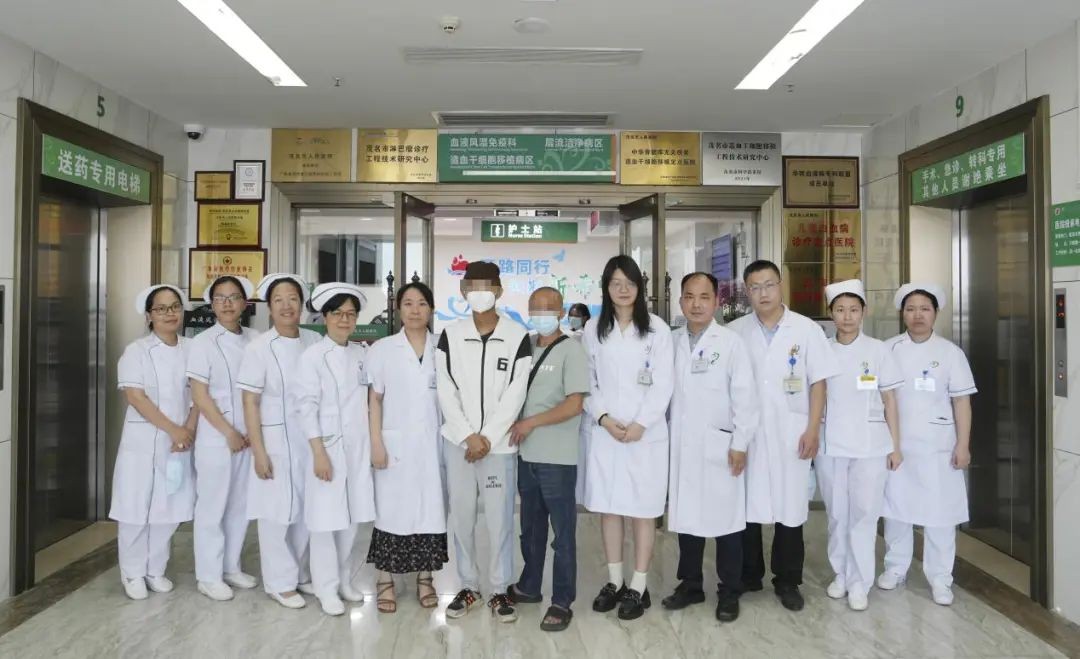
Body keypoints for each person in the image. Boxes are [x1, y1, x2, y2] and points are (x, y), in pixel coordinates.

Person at [727, 260, 837, 611]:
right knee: (746, 504)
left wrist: (813, 428)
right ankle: (749, 574)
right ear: (747, 292)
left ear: (781, 286)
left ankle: (788, 579)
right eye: (755, 287)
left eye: (769, 285)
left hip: (793, 430)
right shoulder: (735, 331)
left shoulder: (806, 329)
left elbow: (818, 383)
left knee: (791, 507)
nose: (763, 293)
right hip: (749, 432)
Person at [435, 261, 532, 622]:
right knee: (461, 518)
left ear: (499, 291)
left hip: (498, 447)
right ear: (463, 291)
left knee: (499, 519)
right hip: (459, 444)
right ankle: (468, 585)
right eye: (472, 286)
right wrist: (467, 435)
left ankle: (499, 588)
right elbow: (445, 389)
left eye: (486, 286)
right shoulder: (451, 334)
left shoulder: (517, 336)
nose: (479, 292)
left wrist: (487, 438)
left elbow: (516, 393)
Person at [663, 272, 758, 623]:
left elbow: (745, 397)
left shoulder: (731, 343)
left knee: (726, 521)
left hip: (721, 442)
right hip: (682, 443)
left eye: (704, 297)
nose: (696, 304)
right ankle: (690, 584)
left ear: (716, 301)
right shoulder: (671, 340)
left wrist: (740, 443)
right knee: (687, 516)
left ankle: (729, 590)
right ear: (680, 301)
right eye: (689, 297)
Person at [583, 255, 674, 621]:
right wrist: (603, 417)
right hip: (606, 432)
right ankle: (614, 580)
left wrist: (641, 424)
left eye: (630, 283)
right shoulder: (593, 329)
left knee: (642, 510)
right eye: (616, 283)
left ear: (640, 288)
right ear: (606, 287)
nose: (623, 290)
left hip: (645, 435)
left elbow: (664, 383)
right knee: (610, 507)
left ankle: (639, 585)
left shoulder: (657, 330)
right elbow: (588, 380)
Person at [878, 283, 976, 607]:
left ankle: (940, 578)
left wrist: (963, 445)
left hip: (938, 447)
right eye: (911, 309)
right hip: (898, 445)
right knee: (896, 511)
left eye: (924, 309)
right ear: (902, 313)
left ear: (935, 313)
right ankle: (895, 569)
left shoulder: (950, 353)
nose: (917, 315)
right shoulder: (888, 349)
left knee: (940, 515)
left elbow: (962, 402)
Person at [818, 279, 904, 612]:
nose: (847, 316)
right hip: (830, 444)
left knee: (864, 515)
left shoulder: (878, 350)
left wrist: (895, 446)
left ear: (863, 312)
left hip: (871, 445)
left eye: (853, 310)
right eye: (840, 310)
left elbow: (890, 400)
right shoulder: (822, 349)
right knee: (837, 514)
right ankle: (841, 574)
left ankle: (859, 582)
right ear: (831, 314)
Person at [506, 287, 589, 632]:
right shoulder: (524, 347)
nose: (540, 315)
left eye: (547, 309)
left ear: (560, 312)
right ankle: (529, 585)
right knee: (530, 528)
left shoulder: (571, 350)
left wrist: (531, 423)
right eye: (534, 309)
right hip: (525, 454)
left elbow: (574, 404)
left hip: (557, 457)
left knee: (562, 533)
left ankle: (562, 600)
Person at [237, 274, 322, 609]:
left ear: (302, 304)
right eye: (279, 300)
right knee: (275, 513)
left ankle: (299, 574)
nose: (287, 306)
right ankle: (278, 582)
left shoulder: (314, 341)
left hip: (309, 438)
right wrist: (258, 451)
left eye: (293, 299)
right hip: (273, 440)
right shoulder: (259, 347)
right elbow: (250, 401)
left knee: (305, 509)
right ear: (269, 308)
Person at [292, 282, 377, 616]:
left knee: (351, 519)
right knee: (325, 522)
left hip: (357, 448)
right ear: (325, 317)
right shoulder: (312, 357)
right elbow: (305, 407)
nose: (345, 320)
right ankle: (325, 588)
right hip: (325, 448)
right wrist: (318, 453)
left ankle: (343, 580)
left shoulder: (362, 354)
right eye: (338, 314)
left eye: (350, 314)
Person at [109, 285, 198, 601]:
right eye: (161, 309)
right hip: (143, 443)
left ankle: (155, 569)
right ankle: (133, 572)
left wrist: (187, 431)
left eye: (174, 307)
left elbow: (199, 396)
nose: (169, 313)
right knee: (135, 508)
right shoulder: (136, 351)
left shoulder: (193, 349)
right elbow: (136, 397)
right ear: (149, 315)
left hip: (179, 443)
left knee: (169, 507)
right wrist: (174, 430)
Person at [366, 282, 448, 613]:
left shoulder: (442, 348)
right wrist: (376, 442)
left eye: (422, 303)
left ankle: (425, 578)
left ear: (431, 309)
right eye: (408, 303)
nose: (415, 310)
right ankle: (384, 578)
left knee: (431, 511)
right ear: (398, 309)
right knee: (390, 511)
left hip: (432, 445)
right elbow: (374, 399)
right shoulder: (382, 349)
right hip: (394, 445)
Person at [188, 275, 259, 602]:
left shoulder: (255, 340)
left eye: (234, 297)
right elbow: (200, 396)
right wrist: (229, 432)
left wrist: (252, 433)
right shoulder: (202, 343)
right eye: (220, 298)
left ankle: (230, 566)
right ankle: (208, 575)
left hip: (250, 435)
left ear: (245, 303)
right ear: (212, 304)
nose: (227, 304)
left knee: (240, 504)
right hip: (217, 436)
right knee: (212, 505)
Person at [567, 302, 593, 503]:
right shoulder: (571, 337)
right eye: (570, 315)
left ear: (585, 318)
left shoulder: (584, 337)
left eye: (576, 315)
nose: (572, 319)